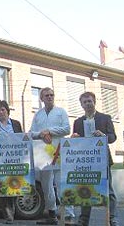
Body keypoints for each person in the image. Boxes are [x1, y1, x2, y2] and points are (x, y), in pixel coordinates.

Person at [71, 91, 119, 226]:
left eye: (90, 101)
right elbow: (76, 142)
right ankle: (83, 219)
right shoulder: (78, 122)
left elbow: (113, 137)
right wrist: (74, 138)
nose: (88, 104)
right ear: (81, 105)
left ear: (94, 102)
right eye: (85, 102)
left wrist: (104, 135)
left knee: (108, 190)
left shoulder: (105, 118)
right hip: (85, 161)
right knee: (85, 189)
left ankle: (113, 218)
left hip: (102, 160)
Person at [29, 87, 71, 225]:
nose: (49, 97)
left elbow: (66, 129)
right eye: (46, 95)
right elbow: (31, 133)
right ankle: (52, 214)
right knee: (46, 185)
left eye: (51, 95)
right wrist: (41, 134)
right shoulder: (38, 115)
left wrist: (50, 131)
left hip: (58, 150)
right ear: (41, 98)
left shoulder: (61, 112)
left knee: (61, 183)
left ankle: (69, 215)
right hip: (43, 153)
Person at [0, 100, 22, 224]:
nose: (1, 112)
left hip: (14, 160)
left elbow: (21, 140)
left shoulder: (16, 124)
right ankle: (7, 214)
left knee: (13, 186)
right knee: (1, 187)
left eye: (3, 110)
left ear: (7, 111)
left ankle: (11, 211)